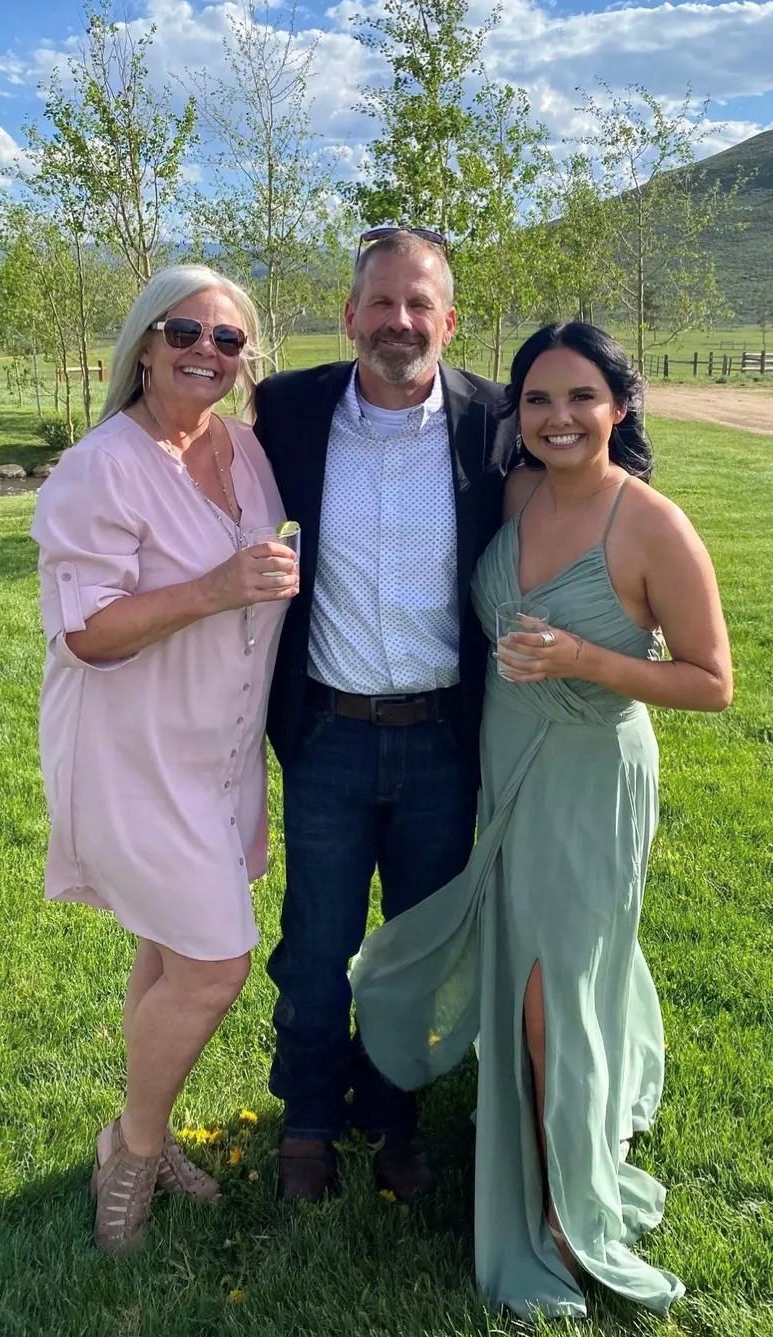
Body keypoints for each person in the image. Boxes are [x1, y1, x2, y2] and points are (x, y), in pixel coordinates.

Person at [352, 320, 733, 1319]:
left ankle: (567, 1207)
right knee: (532, 971)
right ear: (516, 415)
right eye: (536, 399)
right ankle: (546, 1142)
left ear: (618, 407)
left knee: (549, 998)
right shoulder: (514, 496)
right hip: (502, 770)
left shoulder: (652, 525)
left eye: (580, 398)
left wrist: (587, 660)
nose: (558, 417)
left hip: (587, 782)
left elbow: (712, 682)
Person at [30, 263, 299, 1254]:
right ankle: (133, 1153)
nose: (204, 352)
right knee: (215, 962)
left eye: (227, 340)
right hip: (131, 751)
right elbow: (89, 632)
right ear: (144, 343)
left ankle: (135, 1131)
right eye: (184, 332)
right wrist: (217, 586)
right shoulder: (102, 465)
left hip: (218, 747)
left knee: (169, 943)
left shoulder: (246, 450)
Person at [253, 226, 518, 1204]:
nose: (399, 322)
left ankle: (397, 1121)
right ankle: (310, 1126)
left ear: (449, 321)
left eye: (420, 306)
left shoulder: (494, 420)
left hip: (446, 741)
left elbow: (613, 432)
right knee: (316, 947)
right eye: (381, 302)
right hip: (327, 733)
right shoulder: (286, 409)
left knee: (416, 951)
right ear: (349, 314)